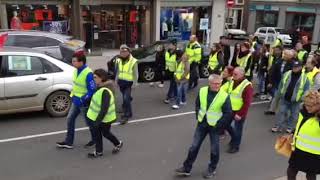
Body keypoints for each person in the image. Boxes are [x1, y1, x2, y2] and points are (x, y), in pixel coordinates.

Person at [175, 74, 232, 178]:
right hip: (202, 124)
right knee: (194, 147)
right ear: (209, 83)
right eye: (214, 84)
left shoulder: (224, 95)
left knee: (214, 149)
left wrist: (219, 125)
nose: (217, 86)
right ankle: (186, 168)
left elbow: (228, 113)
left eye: (219, 84)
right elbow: (198, 104)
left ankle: (212, 169)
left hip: (215, 127)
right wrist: (198, 115)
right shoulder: (202, 91)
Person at [56, 51, 96, 149]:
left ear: (81, 62)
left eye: (74, 61)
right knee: (70, 119)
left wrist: (83, 99)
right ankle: (69, 142)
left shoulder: (88, 73)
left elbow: (92, 89)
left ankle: (95, 140)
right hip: (75, 101)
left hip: (84, 103)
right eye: (72, 61)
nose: (72, 63)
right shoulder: (75, 70)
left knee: (89, 123)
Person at [87, 69, 123, 158]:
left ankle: (118, 143)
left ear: (102, 78)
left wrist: (97, 121)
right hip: (97, 117)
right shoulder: (99, 87)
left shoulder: (105, 91)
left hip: (105, 119)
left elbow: (104, 108)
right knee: (98, 134)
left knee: (105, 133)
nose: (93, 79)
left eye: (95, 77)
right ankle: (99, 151)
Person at [287, 90, 320, 180]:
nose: (308, 108)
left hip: (314, 153)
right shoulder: (303, 112)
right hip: (298, 149)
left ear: (318, 105)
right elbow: (300, 125)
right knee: (291, 171)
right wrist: (293, 133)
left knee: (310, 176)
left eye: (311, 106)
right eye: (306, 105)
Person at [221, 67, 254, 153]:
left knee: (238, 129)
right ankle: (233, 138)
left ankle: (235, 146)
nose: (233, 75)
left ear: (242, 75)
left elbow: (247, 103)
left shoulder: (247, 86)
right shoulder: (232, 80)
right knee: (225, 124)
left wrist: (240, 114)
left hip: (239, 111)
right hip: (229, 109)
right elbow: (224, 89)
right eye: (233, 74)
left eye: (236, 74)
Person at [271, 61, 310, 133]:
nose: (294, 69)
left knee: (294, 115)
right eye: (293, 67)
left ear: (301, 67)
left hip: (296, 101)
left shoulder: (304, 78)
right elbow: (281, 85)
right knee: (281, 112)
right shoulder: (287, 74)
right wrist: (278, 95)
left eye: (296, 67)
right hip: (285, 98)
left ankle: (290, 127)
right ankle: (278, 126)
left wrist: (302, 99)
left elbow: (306, 90)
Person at [265, 49, 293, 115]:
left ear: (289, 56)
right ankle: (272, 110)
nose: (284, 55)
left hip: (286, 84)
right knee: (276, 96)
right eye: (284, 54)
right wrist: (270, 82)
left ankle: (283, 112)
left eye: (286, 54)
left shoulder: (292, 63)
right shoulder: (279, 61)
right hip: (278, 82)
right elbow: (273, 71)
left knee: (284, 98)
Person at [115, 44, 139, 124]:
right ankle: (129, 110)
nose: (123, 53)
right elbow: (118, 71)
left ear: (128, 51)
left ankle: (126, 115)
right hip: (121, 82)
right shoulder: (118, 60)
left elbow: (136, 73)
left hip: (129, 83)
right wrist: (116, 80)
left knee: (125, 98)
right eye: (122, 51)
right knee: (125, 97)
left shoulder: (133, 61)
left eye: (125, 51)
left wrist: (135, 83)